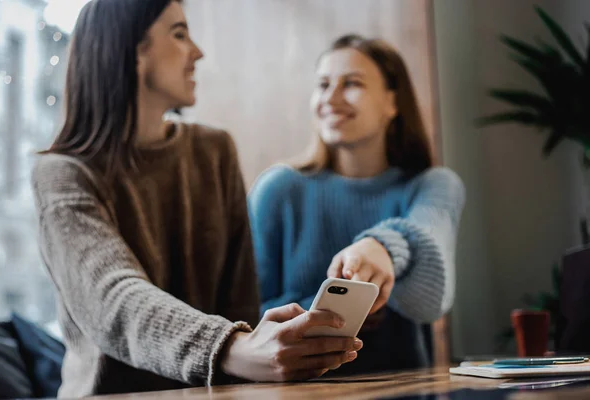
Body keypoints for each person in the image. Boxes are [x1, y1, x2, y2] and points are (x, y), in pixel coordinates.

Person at [31, 1, 361, 397]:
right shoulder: (62, 173)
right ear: (133, 49)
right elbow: (115, 300)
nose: (198, 52)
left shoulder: (214, 151)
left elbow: (239, 303)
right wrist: (232, 347)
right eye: (179, 34)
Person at [249, 34, 466, 374]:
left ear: (393, 102)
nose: (331, 99)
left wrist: (381, 248)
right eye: (322, 85)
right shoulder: (277, 190)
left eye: (351, 83)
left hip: (403, 389)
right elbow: (244, 316)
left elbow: (432, 288)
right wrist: (330, 314)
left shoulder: (433, 185)